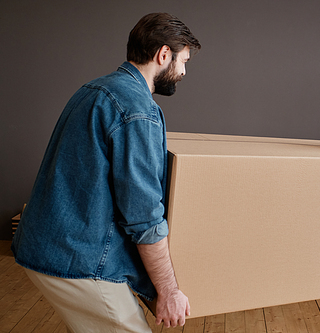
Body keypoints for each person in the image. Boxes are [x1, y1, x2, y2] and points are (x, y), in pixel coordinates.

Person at [11, 12, 201, 332]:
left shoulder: (96, 88)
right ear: (163, 54)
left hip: (45, 243)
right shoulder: (138, 110)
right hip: (79, 258)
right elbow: (143, 216)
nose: (183, 71)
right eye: (183, 61)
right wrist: (168, 290)